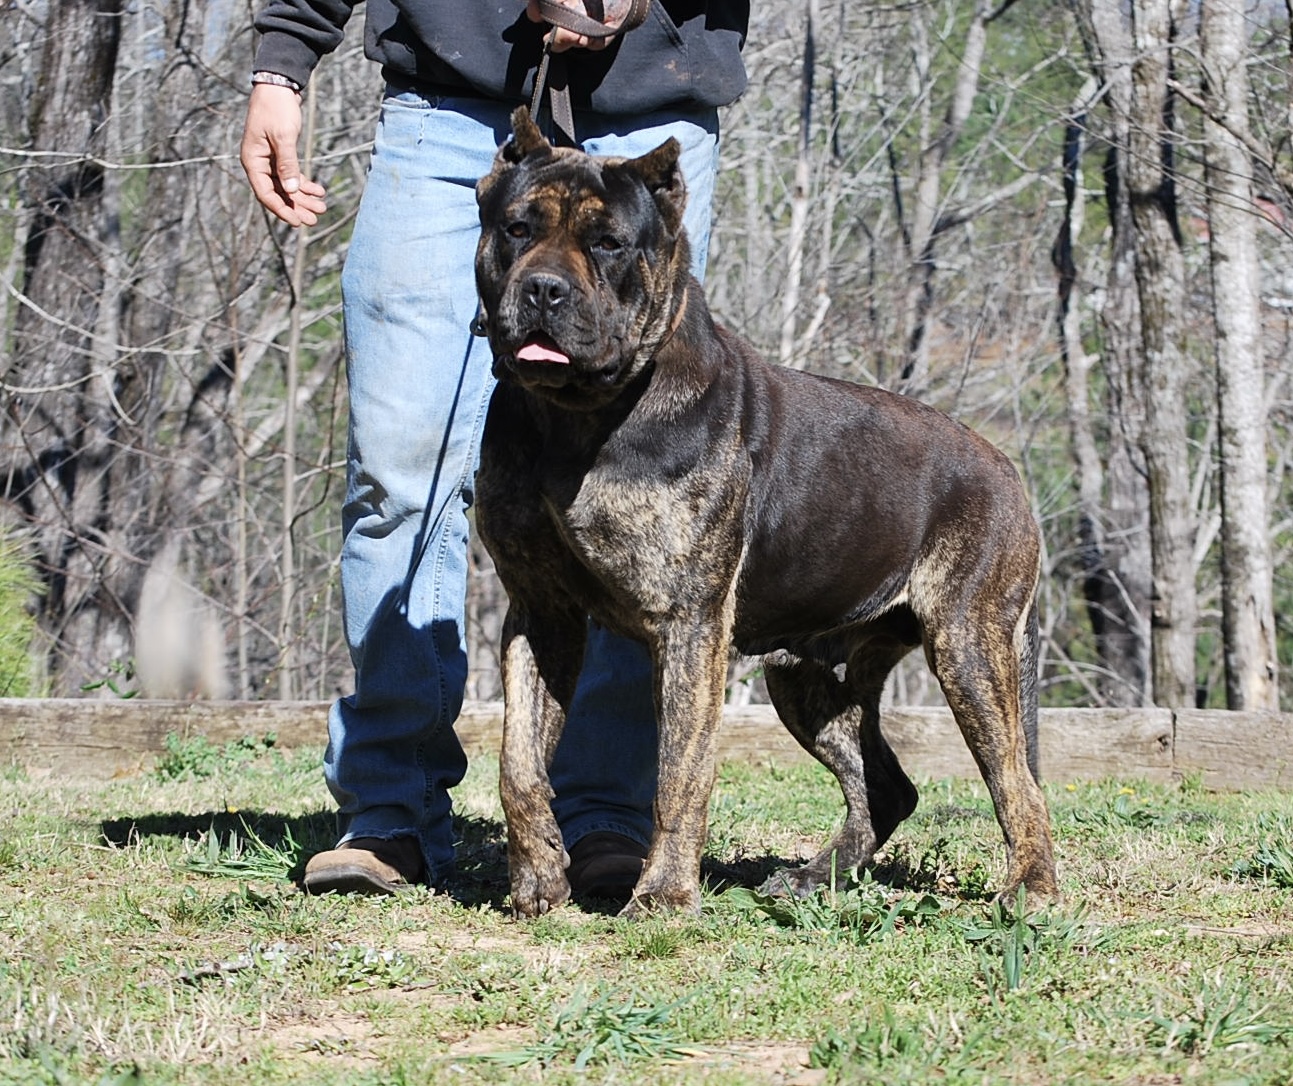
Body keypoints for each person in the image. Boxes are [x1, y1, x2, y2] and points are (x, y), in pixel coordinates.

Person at [240, 0, 749, 898]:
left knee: (655, 504)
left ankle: (605, 822)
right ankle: (390, 811)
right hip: (451, 105)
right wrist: (282, 61)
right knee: (398, 474)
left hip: (649, 116)